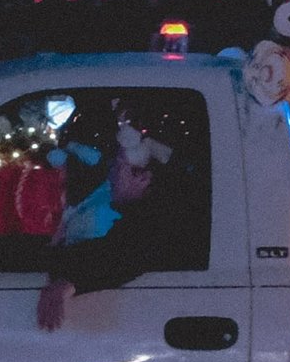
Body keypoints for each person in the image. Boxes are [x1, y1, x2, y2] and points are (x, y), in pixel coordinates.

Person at [36, 105, 199, 330]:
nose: (111, 174)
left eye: (119, 167)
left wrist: (69, 280)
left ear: (143, 177)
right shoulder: (136, 214)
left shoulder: (154, 221)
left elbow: (122, 255)